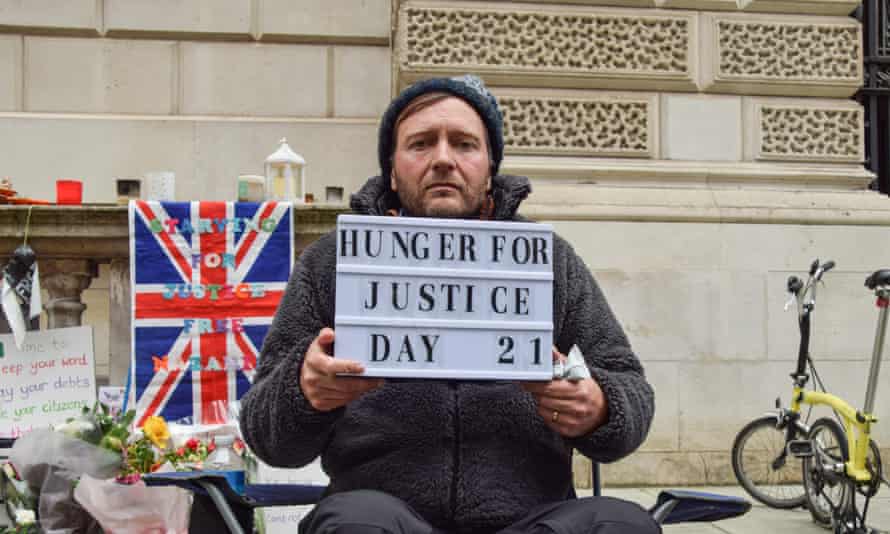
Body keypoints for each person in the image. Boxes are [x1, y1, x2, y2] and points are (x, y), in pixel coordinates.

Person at [240, 75, 657, 534]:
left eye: (464, 144)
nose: (443, 159)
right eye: (421, 144)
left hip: (531, 520)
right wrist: (304, 392)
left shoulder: (551, 261)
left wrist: (599, 407)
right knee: (354, 522)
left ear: (490, 165)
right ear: (392, 171)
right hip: (383, 519)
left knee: (623, 522)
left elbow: (629, 387)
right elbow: (266, 434)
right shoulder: (331, 263)